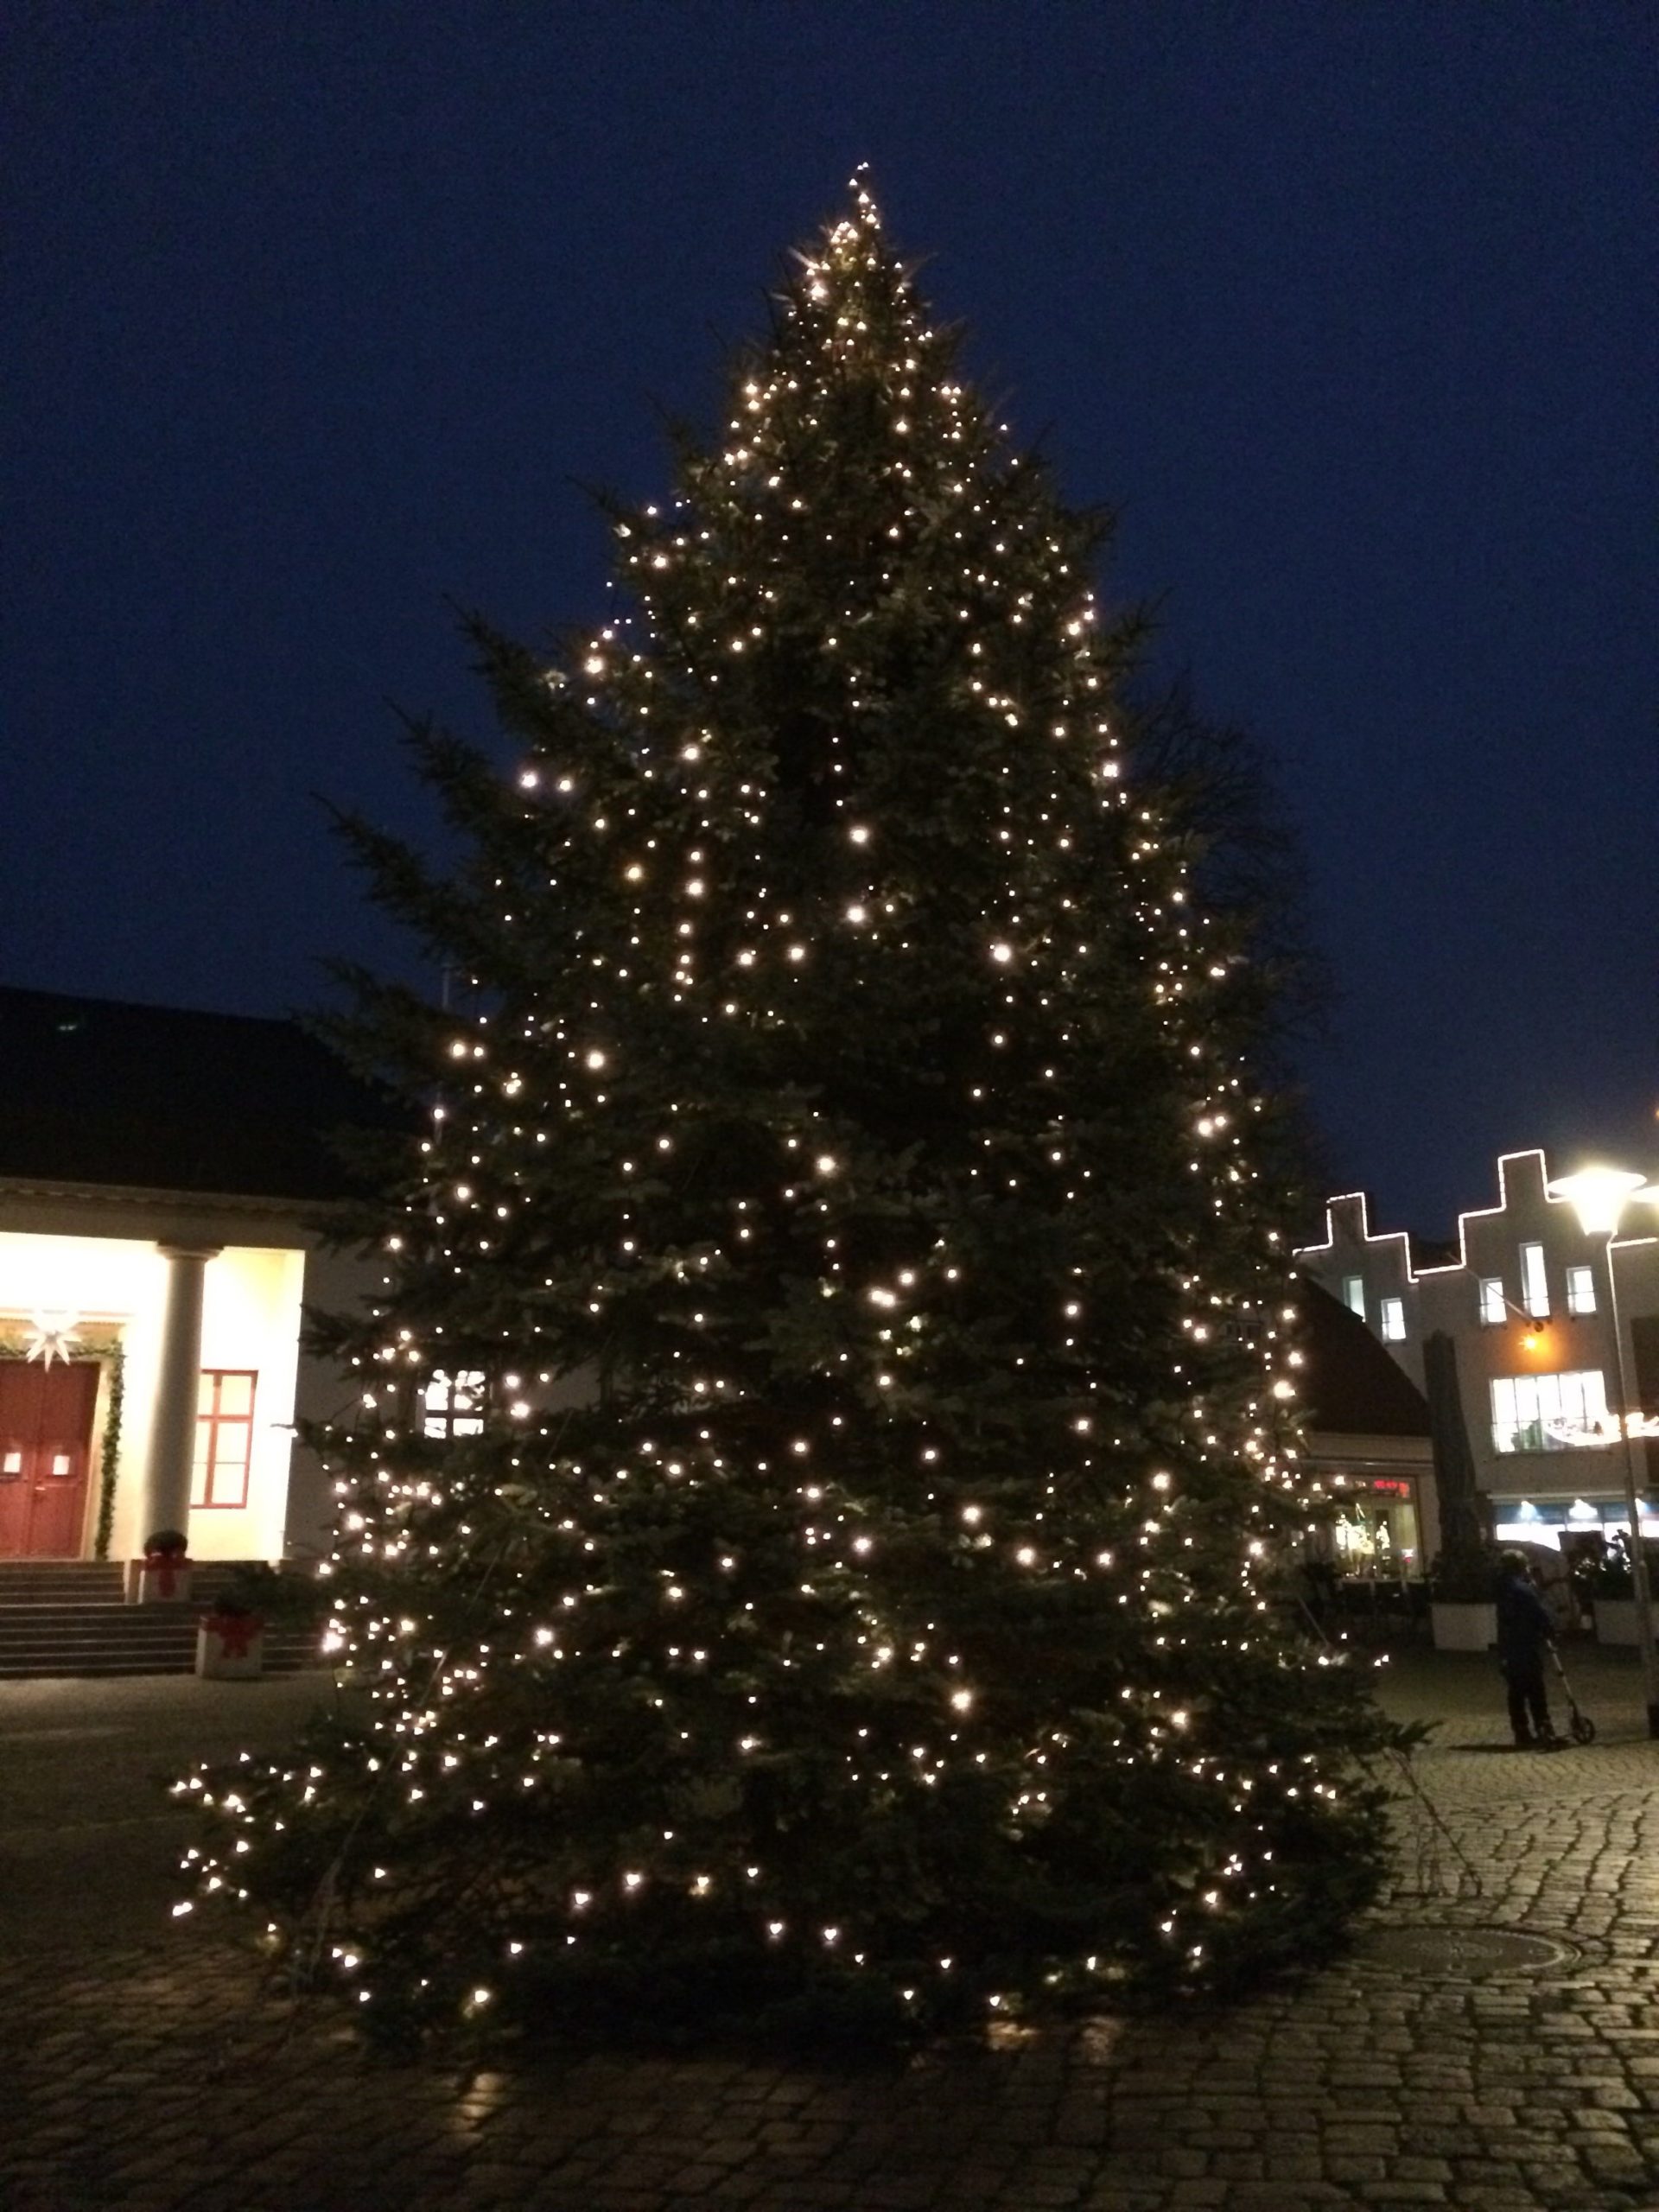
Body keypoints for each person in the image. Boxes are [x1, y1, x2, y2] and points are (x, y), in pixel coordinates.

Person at [1494, 1548, 1556, 1748]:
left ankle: (1521, 1731)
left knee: (1516, 1692)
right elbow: (1539, 1614)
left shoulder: (1502, 1589)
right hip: (1526, 1645)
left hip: (1508, 1646)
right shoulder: (1523, 1590)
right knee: (1535, 1689)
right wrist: (1550, 1631)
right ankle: (1543, 1726)